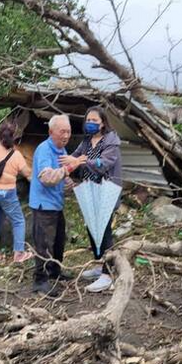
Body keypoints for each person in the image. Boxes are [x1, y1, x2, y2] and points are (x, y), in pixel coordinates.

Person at [59, 106, 123, 293]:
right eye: (89, 120)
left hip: (107, 190)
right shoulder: (87, 141)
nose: (91, 123)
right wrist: (65, 159)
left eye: (95, 121)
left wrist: (82, 161)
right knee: (92, 228)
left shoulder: (111, 141)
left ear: (103, 123)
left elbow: (104, 164)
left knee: (104, 230)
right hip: (90, 190)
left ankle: (108, 274)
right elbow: (75, 156)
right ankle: (100, 264)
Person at [29, 114, 75, 296]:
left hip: (56, 203)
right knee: (43, 244)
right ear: (51, 132)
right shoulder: (44, 150)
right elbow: (47, 178)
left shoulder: (61, 150)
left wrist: (69, 182)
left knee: (58, 241)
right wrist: (69, 169)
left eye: (69, 132)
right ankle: (39, 280)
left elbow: (62, 176)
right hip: (43, 205)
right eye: (62, 131)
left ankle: (55, 271)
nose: (66, 136)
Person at [0, 121, 33, 266]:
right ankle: (19, 254)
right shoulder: (16, 155)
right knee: (18, 221)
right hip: (5, 193)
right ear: (14, 137)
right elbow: (28, 174)